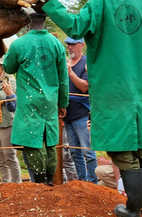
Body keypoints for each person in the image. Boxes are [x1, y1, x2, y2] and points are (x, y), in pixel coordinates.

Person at [34, 0, 142, 217]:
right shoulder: (141, 5)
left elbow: (75, 26)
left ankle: (133, 208)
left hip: (112, 89)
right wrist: (141, 74)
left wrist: (50, 2)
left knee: (118, 144)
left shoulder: (100, 2)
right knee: (140, 144)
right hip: (138, 88)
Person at [3, 10, 69, 185]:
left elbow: (8, 68)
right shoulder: (57, 44)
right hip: (51, 101)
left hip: (29, 102)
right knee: (49, 142)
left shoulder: (19, 44)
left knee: (33, 140)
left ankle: (40, 183)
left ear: (27, 21)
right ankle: (50, 182)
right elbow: (63, 78)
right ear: (45, 19)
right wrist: (63, 103)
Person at [63, 36, 98, 184]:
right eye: (68, 44)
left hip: (82, 113)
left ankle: (92, 182)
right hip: (67, 114)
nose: (70, 47)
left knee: (87, 151)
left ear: (82, 45)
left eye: (73, 44)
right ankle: (82, 182)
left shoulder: (86, 62)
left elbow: (85, 86)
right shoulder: (65, 63)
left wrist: (70, 72)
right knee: (74, 152)